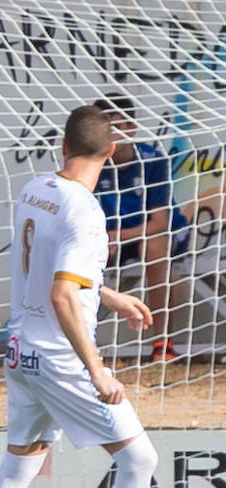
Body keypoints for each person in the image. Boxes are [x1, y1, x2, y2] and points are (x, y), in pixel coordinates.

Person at [0, 105, 191, 488]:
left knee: (19, 465)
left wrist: (108, 296)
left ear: (61, 147)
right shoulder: (86, 211)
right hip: (58, 356)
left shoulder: (36, 189)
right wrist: (96, 370)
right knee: (139, 458)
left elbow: (56, 269)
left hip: (20, 349)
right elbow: (63, 296)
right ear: (111, 152)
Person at [92, 94, 189, 363]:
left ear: (131, 128)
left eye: (115, 128)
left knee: (155, 244)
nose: (110, 136)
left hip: (154, 235)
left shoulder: (153, 160)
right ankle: (81, 343)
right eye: (103, 129)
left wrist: (114, 236)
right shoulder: (92, 163)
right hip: (112, 240)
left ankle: (162, 343)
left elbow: (158, 223)